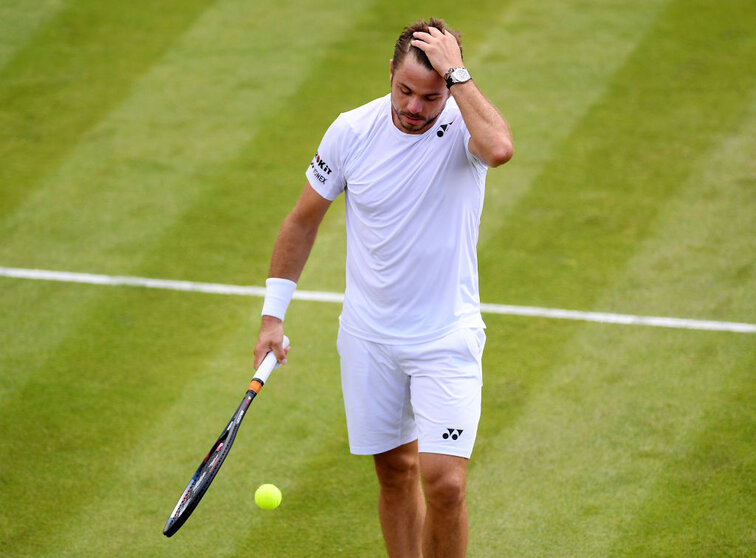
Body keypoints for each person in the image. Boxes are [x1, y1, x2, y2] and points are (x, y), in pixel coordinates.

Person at [253, 17, 513, 558]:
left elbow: (500, 149)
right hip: (371, 339)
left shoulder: (465, 127)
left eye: (431, 96)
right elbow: (303, 221)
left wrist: (458, 78)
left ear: (450, 88)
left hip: (446, 338)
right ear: (390, 73)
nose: (415, 108)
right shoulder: (351, 131)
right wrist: (272, 317)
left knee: (445, 482)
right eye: (406, 91)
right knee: (395, 472)